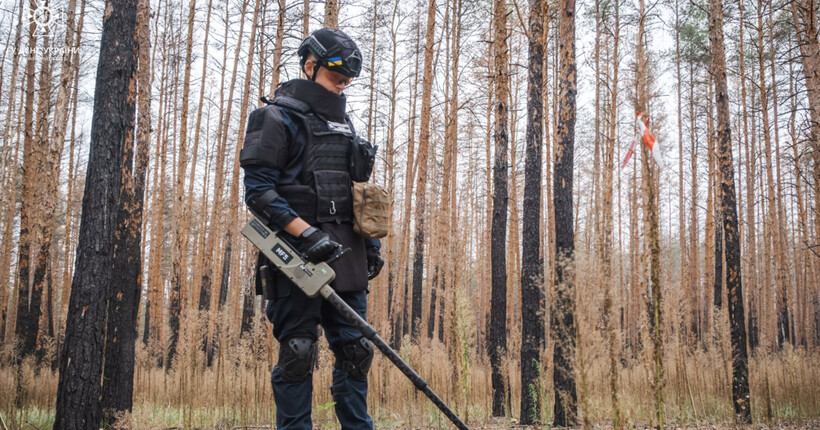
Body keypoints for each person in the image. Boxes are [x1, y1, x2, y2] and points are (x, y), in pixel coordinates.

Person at [240, 28, 384, 430]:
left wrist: (369, 243)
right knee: (298, 353)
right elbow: (259, 193)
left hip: (348, 256)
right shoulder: (274, 117)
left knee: (357, 352)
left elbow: (359, 192)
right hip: (297, 258)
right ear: (309, 66)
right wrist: (306, 234)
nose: (344, 84)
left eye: (348, 79)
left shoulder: (347, 126)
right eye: (337, 76)